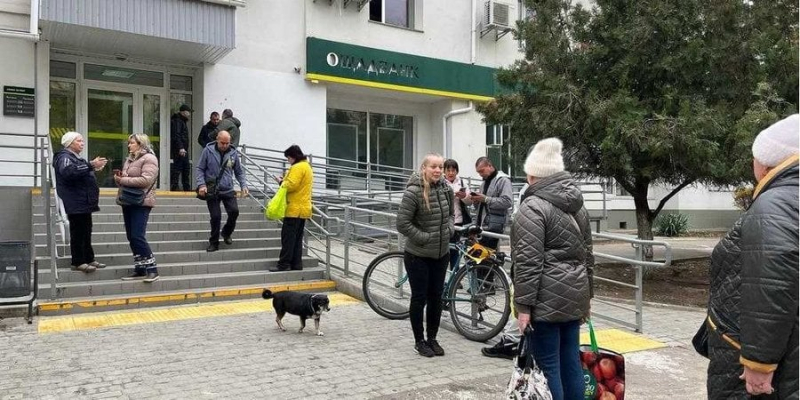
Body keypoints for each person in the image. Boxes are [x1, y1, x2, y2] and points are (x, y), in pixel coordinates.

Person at [705, 114, 798, 400]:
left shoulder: (774, 204)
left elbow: (771, 283)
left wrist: (759, 362)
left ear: (767, 162)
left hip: (750, 357)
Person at [513, 137, 593, 400]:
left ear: (533, 173)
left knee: (547, 368)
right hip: (574, 298)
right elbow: (587, 256)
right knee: (570, 361)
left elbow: (527, 261)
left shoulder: (532, 207)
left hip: (544, 303)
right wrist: (587, 297)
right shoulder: (577, 205)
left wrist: (523, 307)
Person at [396, 153, 454, 358]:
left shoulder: (446, 189)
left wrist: (449, 230)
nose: (438, 170)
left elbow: (450, 215)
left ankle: (432, 338)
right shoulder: (413, 192)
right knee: (419, 298)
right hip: (418, 255)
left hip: (441, 254)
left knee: (436, 298)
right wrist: (424, 237)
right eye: (433, 167)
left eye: (440, 166)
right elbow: (402, 223)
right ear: (424, 168)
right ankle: (419, 341)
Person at [53, 132, 107, 273]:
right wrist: (90, 165)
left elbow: (81, 172)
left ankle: (89, 258)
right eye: (79, 141)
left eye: (82, 141)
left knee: (86, 230)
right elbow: (68, 172)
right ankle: (78, 261)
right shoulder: (64, 157)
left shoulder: (77, 158)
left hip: (84, 202)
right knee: (78, 231)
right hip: (75, 201)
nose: (82, 143)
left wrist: (93, 166)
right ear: (70, 143)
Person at [116, 134, 160, 283]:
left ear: (141, 144)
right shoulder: (130, 159)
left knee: (137, 235)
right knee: (131, 236)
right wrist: (120, 178)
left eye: (132, 143)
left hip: (141, 202)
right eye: (129, 143)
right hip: (128, 200)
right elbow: (128, 179)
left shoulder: (149, 158)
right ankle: (140, 268)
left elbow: (146, 180)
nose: (129, 146)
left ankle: (152, 269)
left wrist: (123, 179)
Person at [196, 131, 249, 253]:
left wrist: (243, 185)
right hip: (212, 189)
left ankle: (226, 232)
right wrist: (201, 185)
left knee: (234, 212)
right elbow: (200, 168)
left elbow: (239, 172)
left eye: (227, 143)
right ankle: (214, 242)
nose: (225, 145)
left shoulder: (233, 153)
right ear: (217, 140)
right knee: (216, 216)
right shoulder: (208, 151)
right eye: (222, 143)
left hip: (227, 188)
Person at [269, 145, 314, 272]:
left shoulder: (297, 167)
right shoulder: (307, 166)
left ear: (293, 157)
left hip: (294, 208)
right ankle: (296, 264)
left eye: (288, 158)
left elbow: (292, 185)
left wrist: (281, 182)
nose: (288, 161)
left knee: (288, 238)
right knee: (297, 238)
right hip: (303, 209)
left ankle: (284, 264)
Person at [471, 156, 512, 250]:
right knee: (482, 259)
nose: (480, 174)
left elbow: (507, 201)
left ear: (490, 166)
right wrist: (476, 201)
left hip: (493, 226)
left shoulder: (503, 180)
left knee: (487, 258)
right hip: (483, 226)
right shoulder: (484, 183)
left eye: (482, 171)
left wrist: (485, 199)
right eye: (478, 172)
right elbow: (480, 207)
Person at [443, 158, 473, 269]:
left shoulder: (462, 183)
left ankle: (454, 277)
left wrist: (463, 196)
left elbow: (469, 202)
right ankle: (444, 278)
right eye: (448, 170)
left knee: (456, 250)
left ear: (457, 171)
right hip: (445, 222)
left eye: (453, 170)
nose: (451, 173)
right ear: (444, 171)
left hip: (459, 222)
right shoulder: (440, 183)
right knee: (445, 251)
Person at [170, 104, 192, 191]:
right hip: (180, 150)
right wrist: (181, 147)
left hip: (183, 149)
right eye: (188, 112)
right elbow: (177, 135)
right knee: (178, 169)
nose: (189, 114)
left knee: (185, 168)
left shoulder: (182, 121)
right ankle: (174, 188)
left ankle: (186, 188)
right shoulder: (178, 121)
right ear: (183, 112)